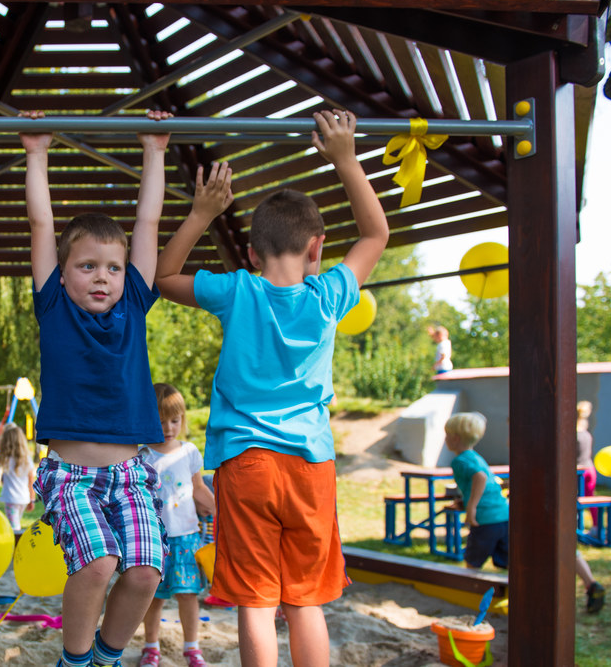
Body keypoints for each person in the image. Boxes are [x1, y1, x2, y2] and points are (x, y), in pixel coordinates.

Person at [153, 109, 388, 667]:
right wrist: (345, 159)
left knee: (256, 602)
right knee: (305, 601)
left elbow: (162, 277)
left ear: (253, 254)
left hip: (246, 463)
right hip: (311, 465)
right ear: (316, 249)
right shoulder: (329, 293)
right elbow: (376, 233)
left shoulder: (238, 290)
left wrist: (202, 213)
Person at [20, 109, 171, 667]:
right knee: (98, 563)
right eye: (87, 266)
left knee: (146, 570)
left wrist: (155, 149)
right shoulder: (54, 306)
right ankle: (76, 660)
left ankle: (107, 657)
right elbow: (42, 226)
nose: (102, 277)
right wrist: (37, 152)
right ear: (63, 274)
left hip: (132, 472)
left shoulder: (134, 301)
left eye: (111, 267)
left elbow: (148, 226)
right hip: (73, 475)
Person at [139, 384, 215, 667]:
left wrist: (218, 508)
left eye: (175, 420)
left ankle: (192, 649)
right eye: (160, 421)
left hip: (186, 537)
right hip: (153, 539)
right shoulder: (142, 454)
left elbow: (198, 489)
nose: (168, 427)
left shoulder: (189, 451)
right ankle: (151, 646)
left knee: (188, 594)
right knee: (152, 598)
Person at [441, 413, 510, 571]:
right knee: (506, 560)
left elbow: (480, 477)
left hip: (484, 518)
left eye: (447, 435)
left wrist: (471, 507)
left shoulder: (460, 460)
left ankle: (470, 587)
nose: (445, 439)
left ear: (456, 438)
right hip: (503, 515)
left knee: (473, 561)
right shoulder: (476, 457)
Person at [0, 424, 35, 531]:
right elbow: (31, 482)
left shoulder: (5, 459)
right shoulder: (27, 460)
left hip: (11, 499)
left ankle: (16, 547)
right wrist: (32, 499)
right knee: (15, 525)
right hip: (24, 499)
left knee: (14, 529)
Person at [577, 401, 599, 531]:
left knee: (573, 499)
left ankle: (578, 527)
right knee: (590, 497)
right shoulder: (585, 433)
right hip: (590, 468)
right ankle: (596, 526)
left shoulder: (574, 435)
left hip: (580, 471)